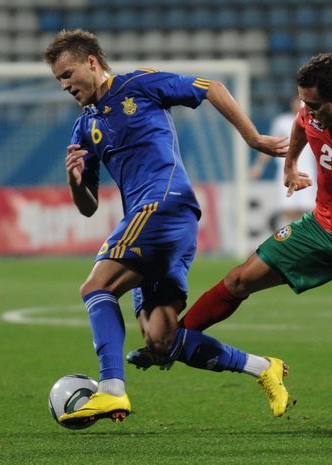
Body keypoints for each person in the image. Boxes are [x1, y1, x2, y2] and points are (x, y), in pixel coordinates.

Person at [129, 53, 332, 434]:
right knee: (239, 279)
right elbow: (300, 126)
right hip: (320, 225)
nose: (306, 111)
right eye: (303, 102)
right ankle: (171, 344)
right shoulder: (312, 115)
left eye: (314, 105)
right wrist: (290, 165)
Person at [43, 29, 292, 429]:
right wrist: (75, 181)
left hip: (164, 204)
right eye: (59, 79)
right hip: (160, 220)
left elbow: (211, 87)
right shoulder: (83, 129)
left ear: (91, 62)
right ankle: (264, 367)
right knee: (161, 340)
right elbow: (88, 207)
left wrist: (255, 139)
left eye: (67, 74)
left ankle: (111, 387)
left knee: (96, 287)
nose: (64, 85)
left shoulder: (139, 84)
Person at [251, 96, 317, 225]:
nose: (300, 104)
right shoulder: (282, 121)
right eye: (298, 101)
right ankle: (294, 234)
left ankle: (303, 235)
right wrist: (258, 166)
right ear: (292, 102)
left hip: (308, 170)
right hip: (286, 170)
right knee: (287, 208)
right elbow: (272, 145)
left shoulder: (314, 121)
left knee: (308, 208)